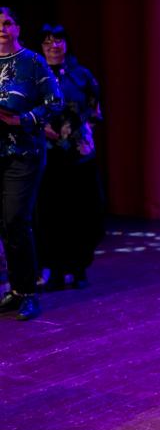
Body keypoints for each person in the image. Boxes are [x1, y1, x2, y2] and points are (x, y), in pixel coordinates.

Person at [0, 7, 63, 321]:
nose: (1, 28)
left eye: (6, 23)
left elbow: (55, 102)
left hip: (23, 154)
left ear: (17, 28)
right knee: (4, 224)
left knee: (16, 220)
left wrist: (22, 119)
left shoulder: (33, 61)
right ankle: (16, 290)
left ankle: (28, 292)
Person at [35, 23, 105, 290]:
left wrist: (78, 132)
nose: (54, 46)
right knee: (51, 214)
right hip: (47, 155)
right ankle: (54, 269)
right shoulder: (34, 75)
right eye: (47, 42)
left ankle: (78, 268)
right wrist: (41, 127)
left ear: (66, 43)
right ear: (41, 47)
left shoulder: (81, 75)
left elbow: (95, 110)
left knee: (83, 212)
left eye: (58, 40)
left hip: (79, 155)